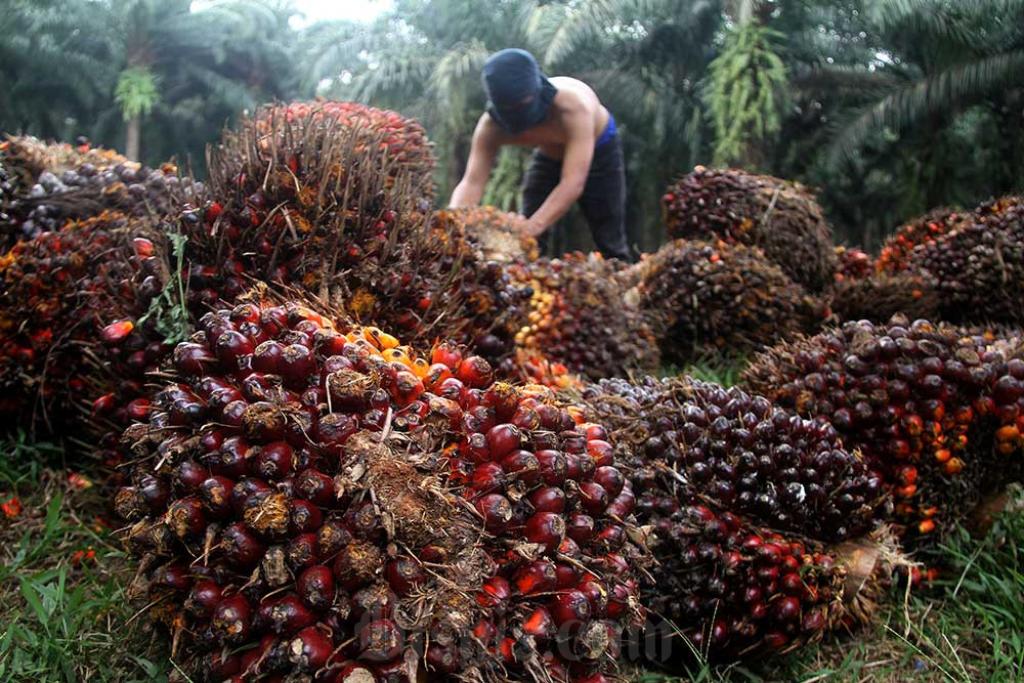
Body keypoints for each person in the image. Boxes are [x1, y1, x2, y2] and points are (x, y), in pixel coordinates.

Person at [449, 48, 633, 261]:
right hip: (550, 154)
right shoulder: (491, 127)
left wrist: (530, 228)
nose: (516, 112)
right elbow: (472, 182)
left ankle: (622, 277)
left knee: (609, 235)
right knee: (530, 243)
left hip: (600, 150)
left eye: (522, 105)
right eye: (508, 108)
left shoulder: (573, 108)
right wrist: (452, 225)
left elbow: (572, 182)